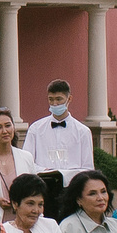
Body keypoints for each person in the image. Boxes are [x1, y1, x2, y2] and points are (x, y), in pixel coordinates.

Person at [22, 81, 98, 218]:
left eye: (59, 99)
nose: (55, 104)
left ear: (69, 99)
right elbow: (27, 161)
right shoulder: (36, 129)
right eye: (51, 99)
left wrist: (66, 175)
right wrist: (45, 170)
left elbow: (87, 168)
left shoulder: (82, 131)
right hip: (42, 188)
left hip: (71, 189)